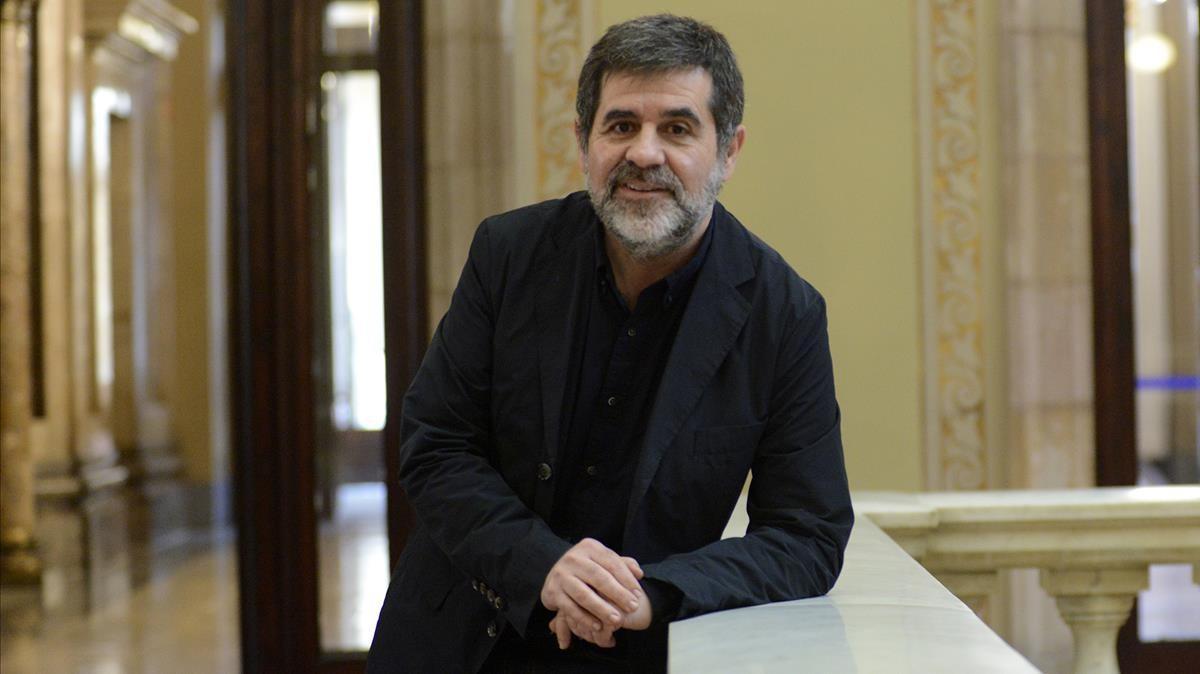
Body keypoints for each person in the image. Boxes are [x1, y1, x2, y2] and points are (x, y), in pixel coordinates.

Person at [366, 14, 852, 673]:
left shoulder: (783, 315)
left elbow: (807, 535)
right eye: (621, 125)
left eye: (677, 129)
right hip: (458, 640)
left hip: (632, 650)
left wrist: (651, 594)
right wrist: (544, 564)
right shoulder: (506, 256)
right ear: (583, 141)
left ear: (730, 150)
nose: (644, 154)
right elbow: (435, 444)